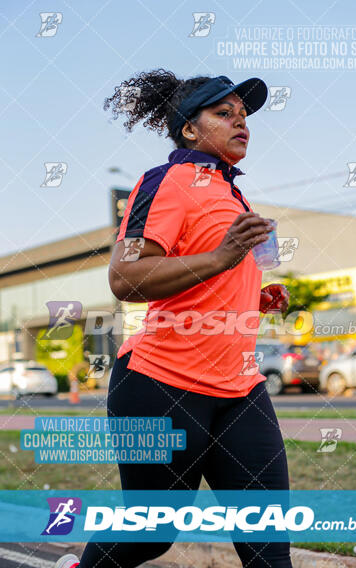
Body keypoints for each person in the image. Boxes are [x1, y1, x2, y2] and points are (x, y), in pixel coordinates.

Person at [56, 69, 292, 568]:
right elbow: (126, 278)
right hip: (162, 384)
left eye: (244, 116)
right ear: (189, 129)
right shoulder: (165, 181)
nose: (241, 123)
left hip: (240, 389)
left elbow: (208, 278)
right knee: (151, 535)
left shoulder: (231, 193)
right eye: (224, 114)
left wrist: (256, 294)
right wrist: (225, 257)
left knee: (269, 550)